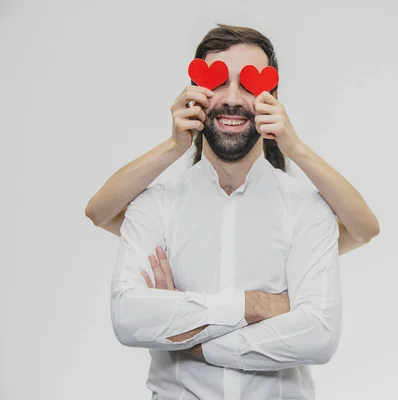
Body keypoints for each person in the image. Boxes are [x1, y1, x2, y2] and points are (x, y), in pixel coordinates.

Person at [85, 24, 379, 400]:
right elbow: (128, 318)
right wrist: (257, 306)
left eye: (250, 85)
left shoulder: (306, 208)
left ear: (272, 99)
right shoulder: (156, 205)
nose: (234, 98)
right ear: (194, 92)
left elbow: (318, 335)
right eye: (219, 81)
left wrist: (189, 332)